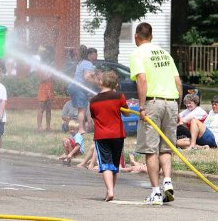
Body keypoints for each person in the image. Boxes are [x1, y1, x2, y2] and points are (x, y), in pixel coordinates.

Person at [129, 22, 182, 205]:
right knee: (166, 147)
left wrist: (141, 107)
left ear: (137, 36)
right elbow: (178, 83)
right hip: (172, 103)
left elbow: (142, 79)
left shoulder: (137, 53)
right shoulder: (165, 54)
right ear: (151, 36)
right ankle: (167, 181)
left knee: (150, 149)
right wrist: (178, 108)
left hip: (153, 103)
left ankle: (156, 192)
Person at [90, 70, 129, 202]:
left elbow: (94, 119)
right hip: (118, 135)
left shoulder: (94, 100)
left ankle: (110, 191)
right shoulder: (119, 96)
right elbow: (127, 113)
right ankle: (111, 191)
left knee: (105, 164)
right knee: (114, 165)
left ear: (101, 83)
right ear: (116, 84)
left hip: (102, 136)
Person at [68, 45, 100, 135]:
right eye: (95, 54)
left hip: (75, 86)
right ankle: (81, 129)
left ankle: (76, 127)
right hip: (78, 88)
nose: (96, 56)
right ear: (90, 55)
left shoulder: (82, 62)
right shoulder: (87, 63)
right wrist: (98, 83)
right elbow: (86, 77)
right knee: (82, 110)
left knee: (81, 109)